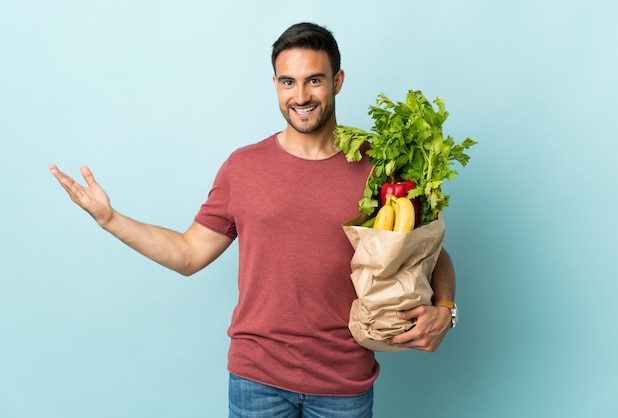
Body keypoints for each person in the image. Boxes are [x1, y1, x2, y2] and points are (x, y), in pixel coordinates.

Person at [50, 22, 456, 418]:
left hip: (344, 382)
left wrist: (446, 309)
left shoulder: (380, 166)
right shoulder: (243, 167)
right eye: (287, 82)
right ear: (276, 84)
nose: (301, 95)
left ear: (338, 80)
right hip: (256, 381)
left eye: (314, 80)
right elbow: (188, 254)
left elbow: (430, 254)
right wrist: (111, 220)